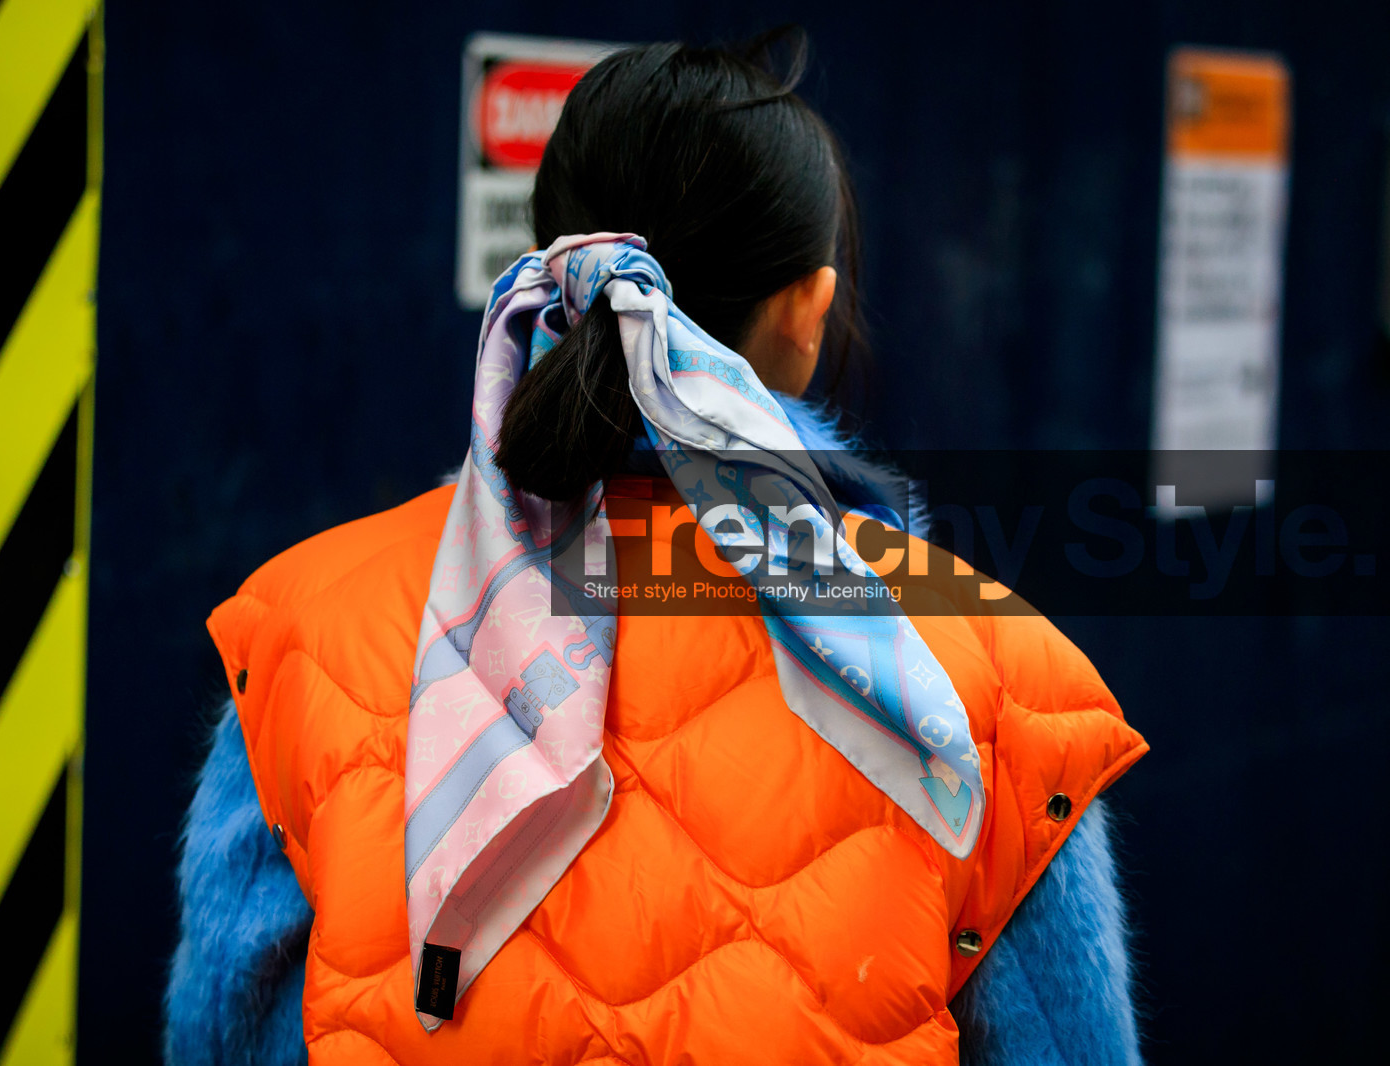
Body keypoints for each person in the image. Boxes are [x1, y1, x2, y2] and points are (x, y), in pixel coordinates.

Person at [165, 30, 1147, 1065]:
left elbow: (231, 1028)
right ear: (806, 311)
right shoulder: (985, 677)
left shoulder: (301, 630)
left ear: (548, 277)